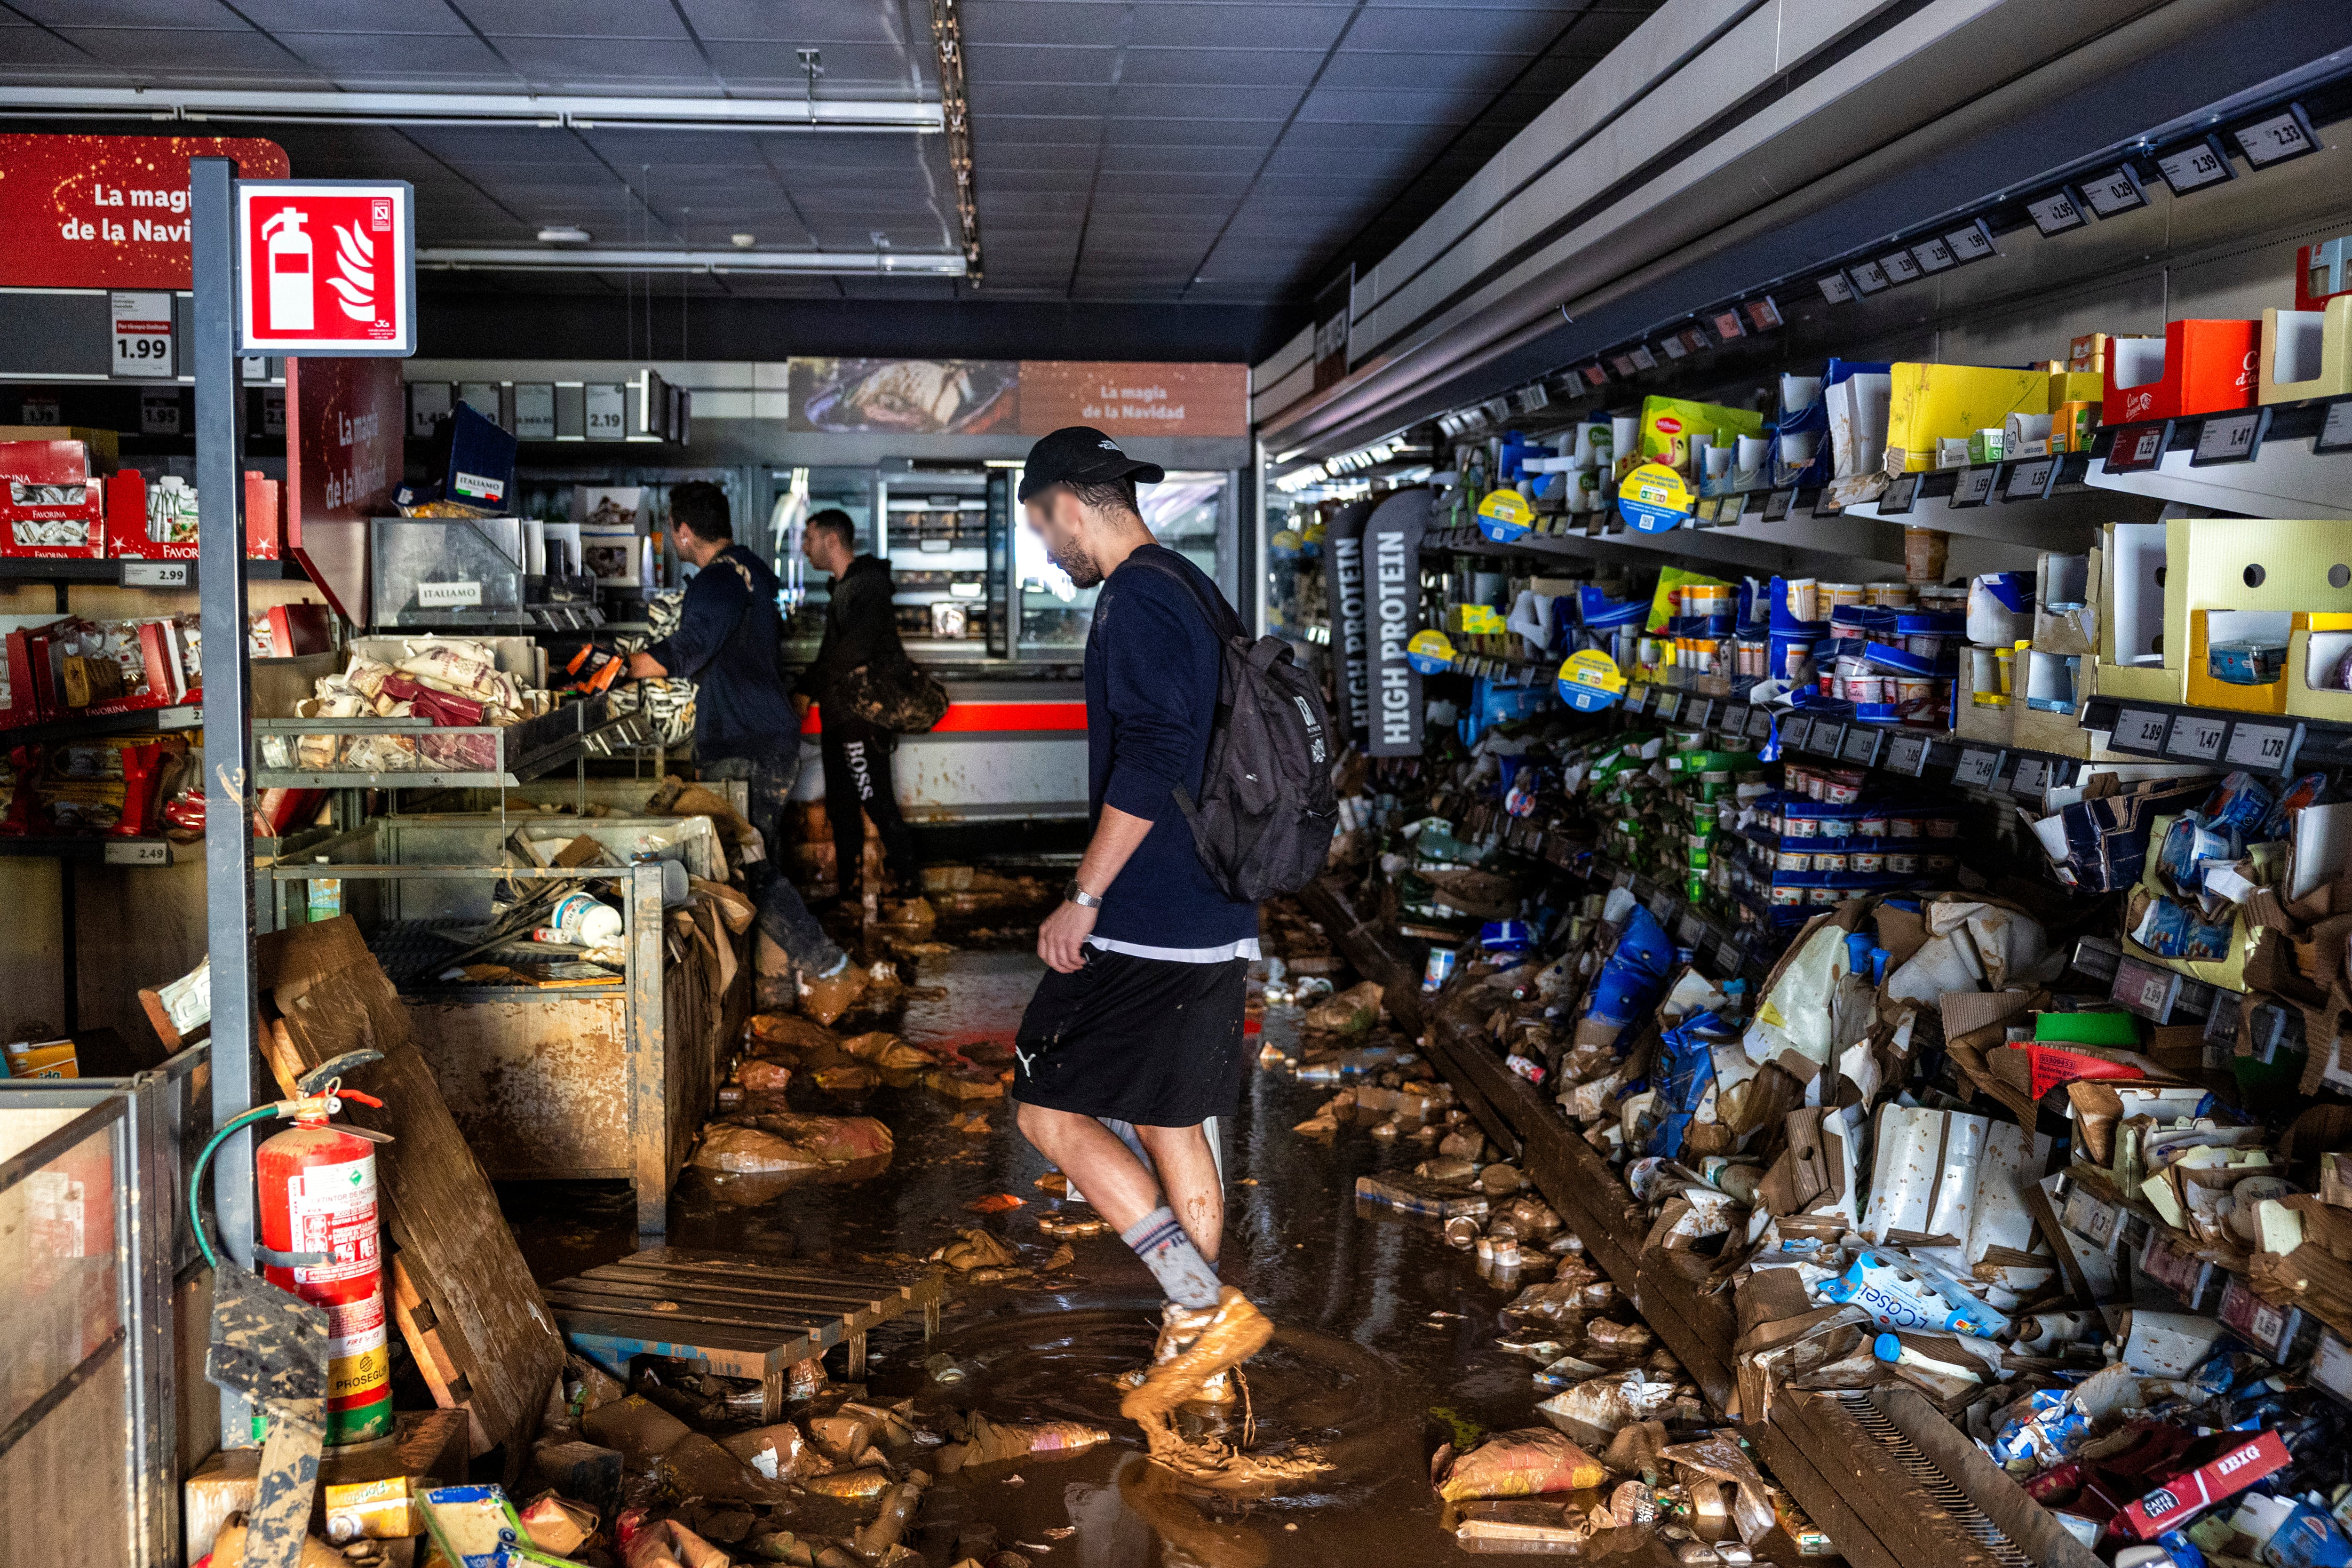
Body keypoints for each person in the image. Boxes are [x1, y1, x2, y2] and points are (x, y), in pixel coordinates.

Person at [1005, 427, 1271, 1449]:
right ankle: (1189, 1351)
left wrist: (1083, 894)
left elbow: (1155, 754)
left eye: (1042, 527)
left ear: (1073, 503)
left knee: (1045, 1108)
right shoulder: (1192, 588)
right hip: (1209, 909)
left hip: (1151, 916)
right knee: (1172, 1120)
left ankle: (1198, 1300)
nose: (1046, 551)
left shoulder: (1138, 595)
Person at [628, 482, 861, 1015]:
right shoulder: (752, 569)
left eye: (671, 529)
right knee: (761, 858)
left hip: (743, 740)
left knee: (749, 864)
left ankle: (828, 967)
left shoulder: (715, 582)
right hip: (764, 735)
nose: (671, 538)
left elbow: (684, 653)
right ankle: (779, 984)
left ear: (684, 531)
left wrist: (621, 668)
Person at [795, 509, 923, 904]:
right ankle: (848, 892)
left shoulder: (867, 587)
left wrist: (808, 686)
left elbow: (849, 651)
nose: (804, 547)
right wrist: (808, 688)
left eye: (809, 538)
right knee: (843, 805)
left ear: (832, 540)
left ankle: (911, 890)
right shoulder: (846, 587)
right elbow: (834, 653)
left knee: (875, 799)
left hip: (861, 719)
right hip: (840, 715)